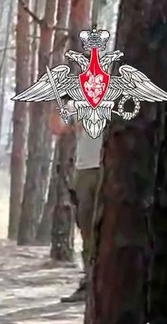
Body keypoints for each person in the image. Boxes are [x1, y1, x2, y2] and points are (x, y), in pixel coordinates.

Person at [62, 122, 103, 304]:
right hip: (85, 168)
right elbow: (59, 127)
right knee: (87, 229)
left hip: (115, 166)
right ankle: (89, 282)